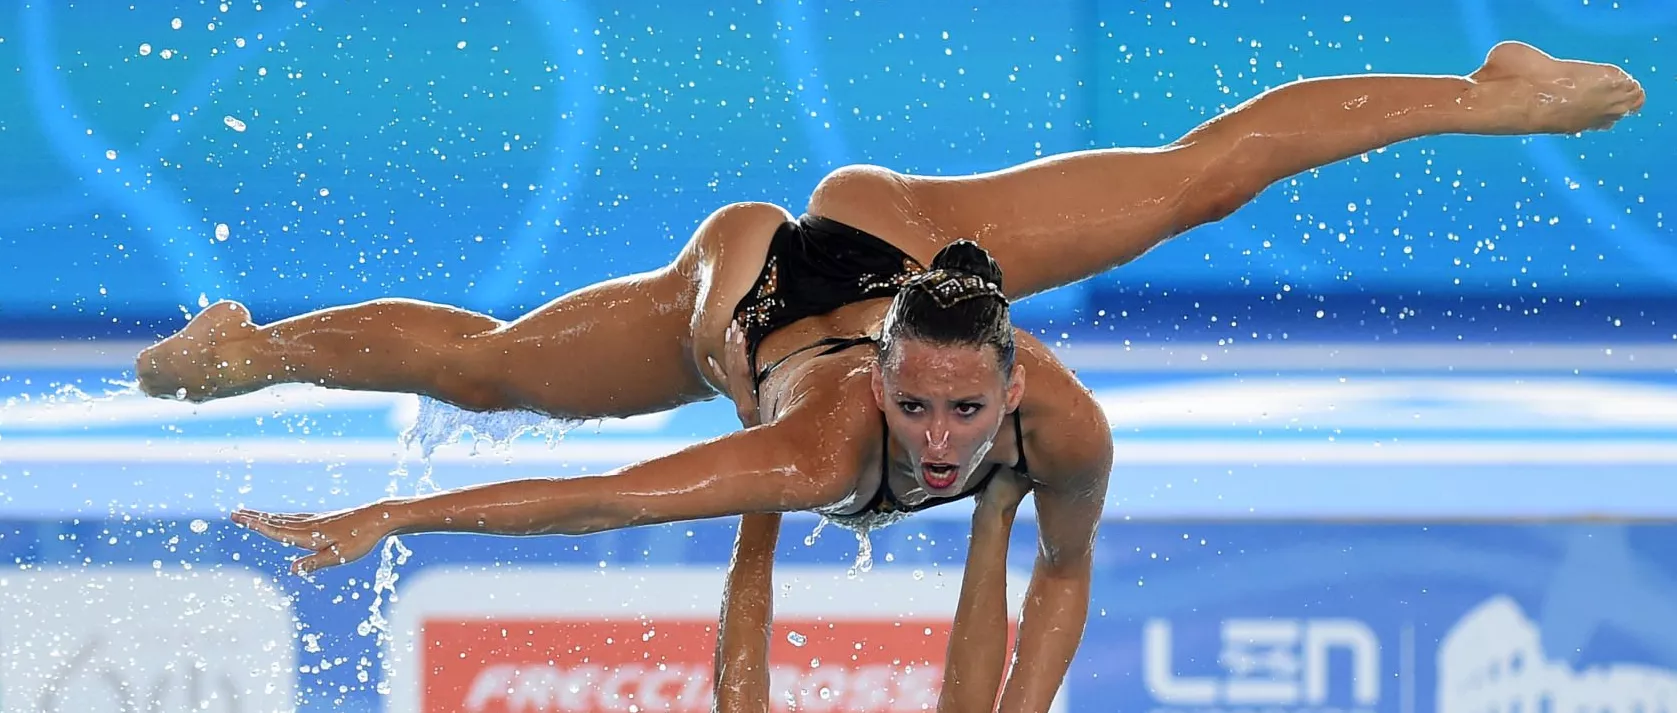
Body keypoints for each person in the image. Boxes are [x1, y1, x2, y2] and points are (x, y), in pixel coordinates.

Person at [139, 41, 1642, 713]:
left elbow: (1062, 570)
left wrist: (400, 526)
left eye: (955, 413)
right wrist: (405, 521)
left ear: (1009, 377)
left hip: (874, 253)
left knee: (1196, 182)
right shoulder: (822, 450)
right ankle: (253, 349)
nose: (931, 442)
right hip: (744, 299)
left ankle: (1487, 92)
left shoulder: (1051, 421)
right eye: (918, 411)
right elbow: (592, 497)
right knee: (492, 370)